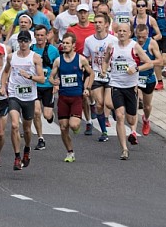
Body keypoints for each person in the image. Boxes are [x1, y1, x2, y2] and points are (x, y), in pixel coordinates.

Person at [104, 24, 153, 160]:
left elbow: (149, 63)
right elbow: (106, 60)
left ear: (130, 33)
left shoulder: (134, 46)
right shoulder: (112, 45)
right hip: (116, 85)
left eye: (124, 31)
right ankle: (124, 149)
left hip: (131, 87)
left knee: (131, 118)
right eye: (119, 31)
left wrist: (136, 69)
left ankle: (133, 129)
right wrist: (104, 70)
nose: (121, 33)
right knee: (120, 116)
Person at [49, 33, 94, 162]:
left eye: (68, 43)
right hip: (63, 97)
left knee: (73, 125)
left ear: (74, 45)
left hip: (76, 98)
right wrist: (53, 82)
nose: (64, 45)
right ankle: (70, 152)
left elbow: (91, 74)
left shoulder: (81, 59)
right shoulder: (58, 60)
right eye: (63, 43)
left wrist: (87, 88)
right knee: (63, 127)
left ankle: (76, 126)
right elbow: (51, 77)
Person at [6, 30, 45, 170]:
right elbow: (6, 71)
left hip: (29, 96)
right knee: (15, 125)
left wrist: (29, 77)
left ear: (30, 42)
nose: (23, 43)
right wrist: (3, 85)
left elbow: (42, 78)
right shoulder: (11, 57)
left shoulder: (35, 58)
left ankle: (26, 150)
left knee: (27, 129)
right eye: (21, 41)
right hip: (14, 94)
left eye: (26, 41)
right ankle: (17, 157)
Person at [83, 13, 118, 141]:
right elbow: (87, 58)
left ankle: (115, 109)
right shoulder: (88, 40)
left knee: (108, 103)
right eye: (95, 22)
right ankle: (104, 132)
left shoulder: (114, 40)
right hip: (96, 74)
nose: (97, 25)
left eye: (100, 22)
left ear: (106, 25)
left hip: (110, 74)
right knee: (99, 104)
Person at [31, 25, 59, 150]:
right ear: (35, 36)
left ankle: (50, 116)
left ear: (47, 36)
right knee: (37, 112)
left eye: (42, 35)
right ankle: (40, 138)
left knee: (47, 115)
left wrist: (56, 84)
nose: (40, 38)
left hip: (48, 86)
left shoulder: (53, 50)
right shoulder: (31, 50)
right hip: (35, 85)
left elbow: (57, 67)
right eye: (37, 35)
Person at [134, 23, 161, 135]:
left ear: (147, 35)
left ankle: (146, 119)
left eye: (143, 37)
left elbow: (160, 61)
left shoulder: (152, 43)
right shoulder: (132, 43)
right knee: (134, 104)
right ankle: (133, 131)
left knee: (147, 106)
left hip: (148, 78)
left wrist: (147, 63)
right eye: (139, 36)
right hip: (135, 78)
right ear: (135, 34)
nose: (141, 39)